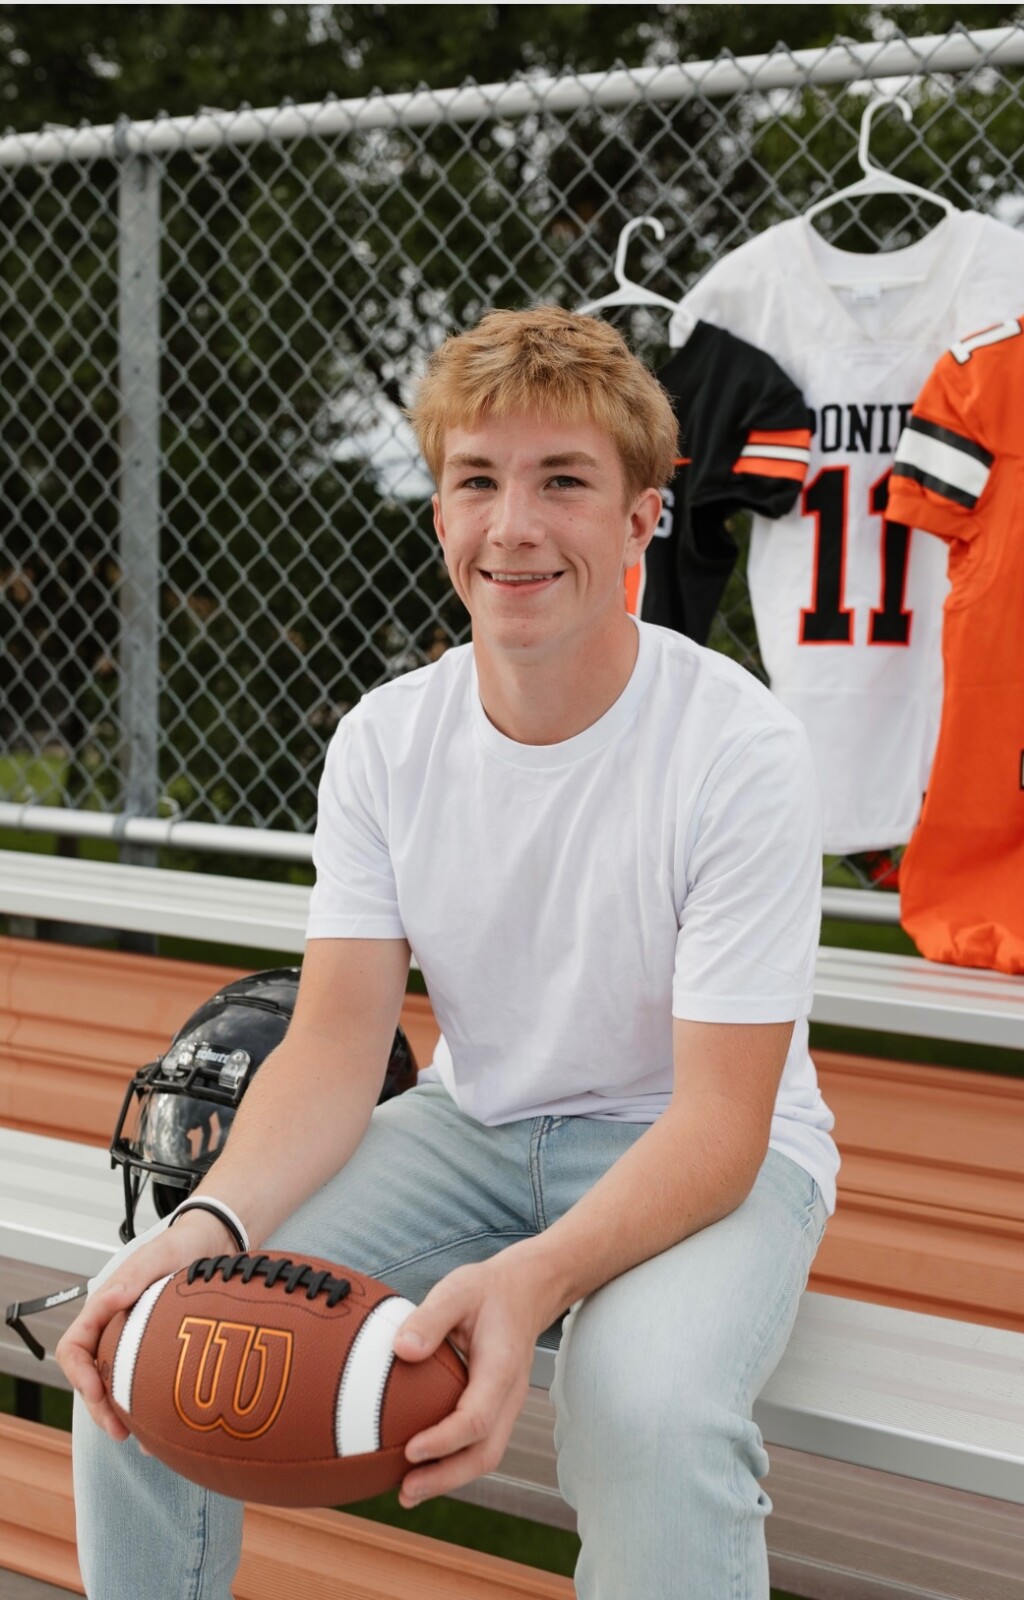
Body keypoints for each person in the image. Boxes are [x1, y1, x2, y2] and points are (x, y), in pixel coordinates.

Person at [60, 305, 838, 1599]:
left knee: (646, 1418)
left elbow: (719, 1123)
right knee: (147, 1341)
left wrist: (527, 1284)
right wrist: (204, 1225)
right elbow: (334, 1044)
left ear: (644, 520)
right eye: (478, 481)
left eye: (564, 481)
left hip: (692, 1149)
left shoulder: (737, 749)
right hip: (471, 1128)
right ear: (439, 516)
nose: (513, 526)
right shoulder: (385, 738)